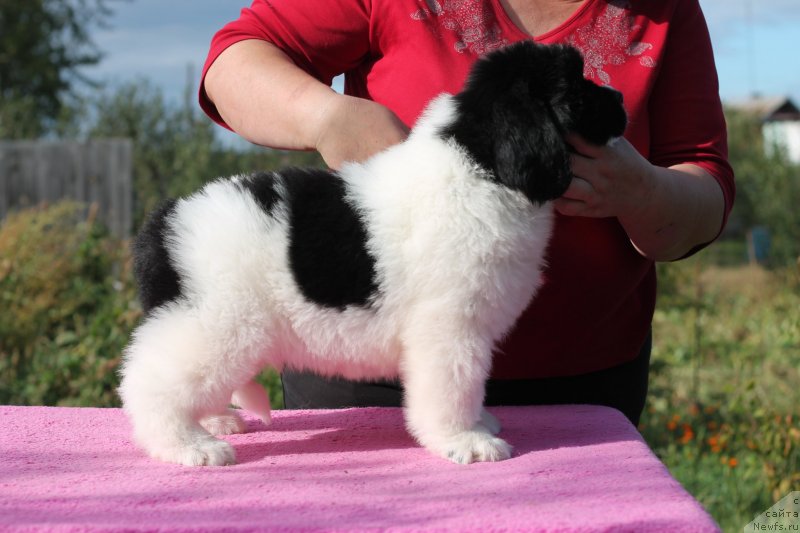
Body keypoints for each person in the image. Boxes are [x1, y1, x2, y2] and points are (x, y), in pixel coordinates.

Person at [199, 0, 735, 426]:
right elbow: (233, 61)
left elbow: (706, 184)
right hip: (366, 373)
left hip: (584, 385)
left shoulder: (667, 8)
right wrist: (324, 116)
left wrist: (644, 192)